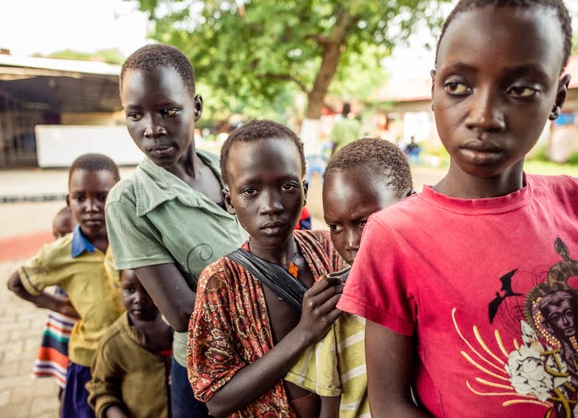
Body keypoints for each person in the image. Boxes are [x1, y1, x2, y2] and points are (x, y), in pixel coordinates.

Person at [337, 1, 578, 417]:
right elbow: (390, 404)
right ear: (434, 89)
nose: (484, 116)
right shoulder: (395, 235)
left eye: (520, 89)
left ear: (557, 96)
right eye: (459, 86)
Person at [105, 43, 246, 418]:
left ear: (196, 107)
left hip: (271, 353)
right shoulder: (130, 202)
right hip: (207, 373)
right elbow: (184, 313)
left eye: (167, 111)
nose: (152, 129)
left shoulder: (230, 168)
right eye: (135, 115)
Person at [186, 119, 346, 417]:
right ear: (229, 201)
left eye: (287, 186)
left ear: (304, 189)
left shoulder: (329, 250)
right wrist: (304, 333)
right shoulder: (221, 282)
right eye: (250, 191)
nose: (271, 205)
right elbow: (217, 400)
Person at [285, 137, 414, 417]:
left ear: (409, 202)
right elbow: (328, 407)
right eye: (336, 226)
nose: (351, 242)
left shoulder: (433, 286)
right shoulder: (336, 307)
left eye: (365, 222)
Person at [7, 154, 125, 418]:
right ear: (68, 201)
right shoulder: (60, 253)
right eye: (80, 198)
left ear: (118, 196)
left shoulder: (132, 239)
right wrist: (57, 304)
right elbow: (16, 283)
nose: (91, 207)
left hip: (134, 356)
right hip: (88, 359)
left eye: (102, 197)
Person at [87, 269, 172, 418]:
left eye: (147, 289)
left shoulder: (180, 328)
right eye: (129, 290)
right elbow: (101, 390)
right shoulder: (113, 342)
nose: (138, 298)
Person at [31, 207, 77, 394]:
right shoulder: (57, 261)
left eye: (67, 234)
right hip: (61, 332)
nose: (60, 241)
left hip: (81, 338)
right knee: (64, 386)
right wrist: (57, 305)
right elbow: (23, 284)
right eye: (56, 235)